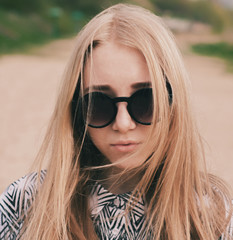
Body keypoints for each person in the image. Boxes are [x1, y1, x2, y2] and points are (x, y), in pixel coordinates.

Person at [0, 3, 232, 240]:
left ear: (174, 103)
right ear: (76, 109)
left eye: (146, 100)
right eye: (98, 103)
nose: (123, 124)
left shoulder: (211, 214)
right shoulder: (25, 204)